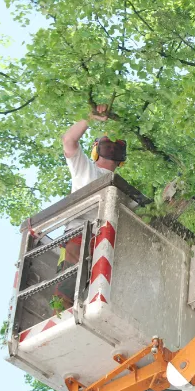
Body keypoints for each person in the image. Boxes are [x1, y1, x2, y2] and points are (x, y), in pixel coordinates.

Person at [52, 104, 127, 308]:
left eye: (116, 146)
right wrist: (90, 117)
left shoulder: (124, 191)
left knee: (101, 299)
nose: (111, 148)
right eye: (106, 144)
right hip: (77, 235)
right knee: (65, 291)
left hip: (107, 241)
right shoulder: (84, 168)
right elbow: (69, 140)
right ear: (96, 149)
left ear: (122, 158)